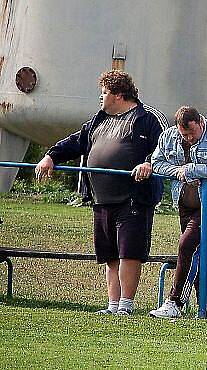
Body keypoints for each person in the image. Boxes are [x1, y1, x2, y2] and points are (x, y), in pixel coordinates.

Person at [35, 70, 166, 316]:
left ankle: (126, 305)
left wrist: (149, 163)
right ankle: (112, 305)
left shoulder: (147, 118)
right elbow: (76, 141)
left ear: (118, 95)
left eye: (104, 93)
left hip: (133, 199)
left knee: (129, 252)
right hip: (101, 199)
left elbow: (164, 148)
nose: (101, 97)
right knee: (110, 255)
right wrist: (50, 156)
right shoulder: (99, 119)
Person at [148, 106, 207, 319]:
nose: (188, 138)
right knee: (198, 251)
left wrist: (192, 170)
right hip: (185, 204)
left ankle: (175, 302)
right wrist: (180, 173)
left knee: (188, 246)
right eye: (183, 134)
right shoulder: (169, 136)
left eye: (191, 133)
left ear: (201, 123)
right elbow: (157, 163)